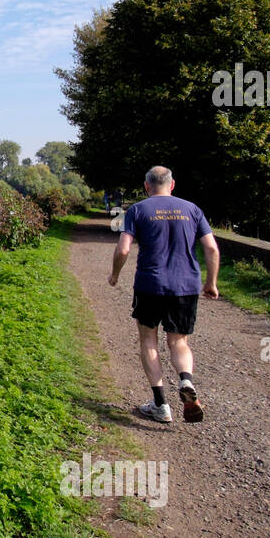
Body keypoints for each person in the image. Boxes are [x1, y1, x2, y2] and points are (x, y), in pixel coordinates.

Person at [108, 166, 219, 423]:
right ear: (172, 184)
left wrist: (114, 275)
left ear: (147, 186)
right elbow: (211, 248)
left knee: (148, 340)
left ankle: (161, 405)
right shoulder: (192, 209)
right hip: (185, 286)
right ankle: (185, 380)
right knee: (179, 342)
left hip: (150, 285)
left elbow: (123, 250)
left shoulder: (137, 210)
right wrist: (211, 283)